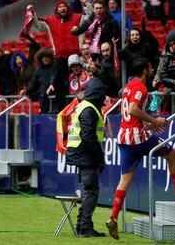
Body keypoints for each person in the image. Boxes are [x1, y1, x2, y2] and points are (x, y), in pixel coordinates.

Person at [105, 58, 175, 240]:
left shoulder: (128, 86)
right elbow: (133, 109)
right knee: (171, 154)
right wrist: (155, 121)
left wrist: (147, 125)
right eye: (150, 67)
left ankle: (113, 218)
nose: (152, 70)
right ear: (144, 70)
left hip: (124, 137)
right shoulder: (140, 87)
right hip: (137, 137)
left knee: (124, 180)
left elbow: (130, 114)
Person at [25, 1, 85, 112]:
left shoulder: (78, 17)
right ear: (57, 10)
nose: (62, 8)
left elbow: (89, 20)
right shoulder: (50, 20)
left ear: (67, 8)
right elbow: (38, 25)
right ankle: (60, 110)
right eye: (60, 7)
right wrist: (32, 13)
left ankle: (79, 107)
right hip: (59, 57)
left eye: (64, 6)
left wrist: (88, 5)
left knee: (78, 81)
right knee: (58, 84)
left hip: (75, 56)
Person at [66, 77, 107, 237]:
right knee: (91, 190)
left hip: (79, 152)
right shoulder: (90, 109)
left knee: (88, 189)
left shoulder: (84, 106)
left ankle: (82, 224)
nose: (104, 98)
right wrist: (99, 158)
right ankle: (85, 226)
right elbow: (89, 136)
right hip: (84, 153)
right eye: (103, 94)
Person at [20, 48, 55, 114]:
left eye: (47, 57)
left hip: (55, 98)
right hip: (43, 99)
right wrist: (26, 90)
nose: (45, 59)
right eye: (43, 57)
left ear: (51, 58)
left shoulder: (55, 68)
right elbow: (34, 84)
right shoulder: (38, 70)